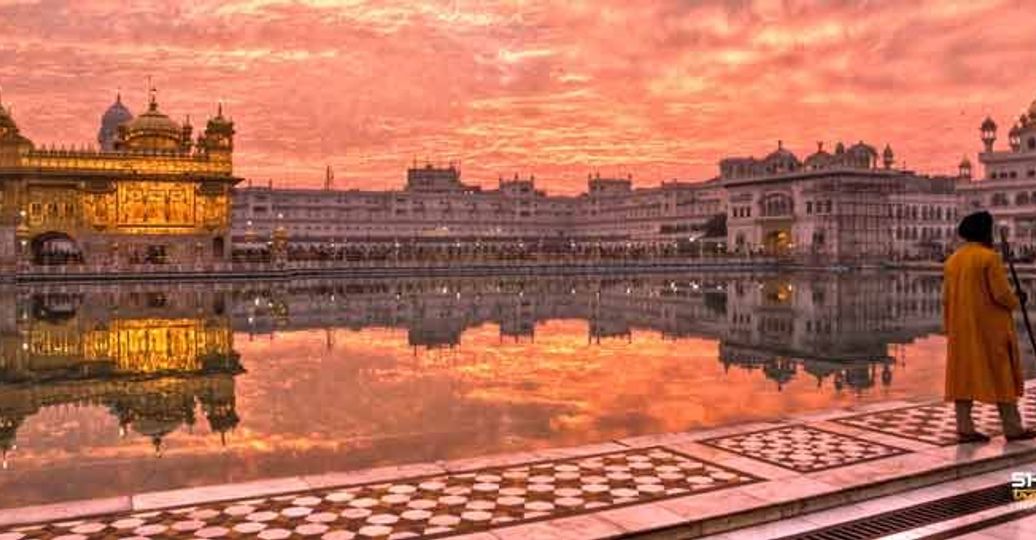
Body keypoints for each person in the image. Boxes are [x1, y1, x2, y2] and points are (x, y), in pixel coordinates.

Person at [943, 211, 1035, 443]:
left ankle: (965, 428)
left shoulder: (954, 260)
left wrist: (950, 327)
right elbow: (1001, 294)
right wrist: (1018, 299)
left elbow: (946, 298)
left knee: (962, 377)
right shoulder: (988, 258)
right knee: (1002, 373)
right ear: (985, 232)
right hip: (989, 328)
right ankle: (1012, 428)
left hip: (961, 328)